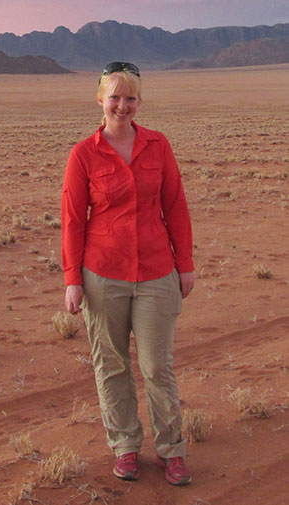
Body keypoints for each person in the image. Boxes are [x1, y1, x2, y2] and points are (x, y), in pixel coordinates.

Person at [61, 61, 194, 486]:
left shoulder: (158, 145)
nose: (122, 105)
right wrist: (72, 279)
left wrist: (185, 266)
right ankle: (125, 446)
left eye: (130, 97)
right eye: (114, 97)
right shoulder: (83, 153)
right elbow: (72, 220)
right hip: (103, 274)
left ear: (139, 101)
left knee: (158, 366)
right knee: (112, 366)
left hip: (157, 271)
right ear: (100, 100)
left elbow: (175, 206)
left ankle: (171, 450)